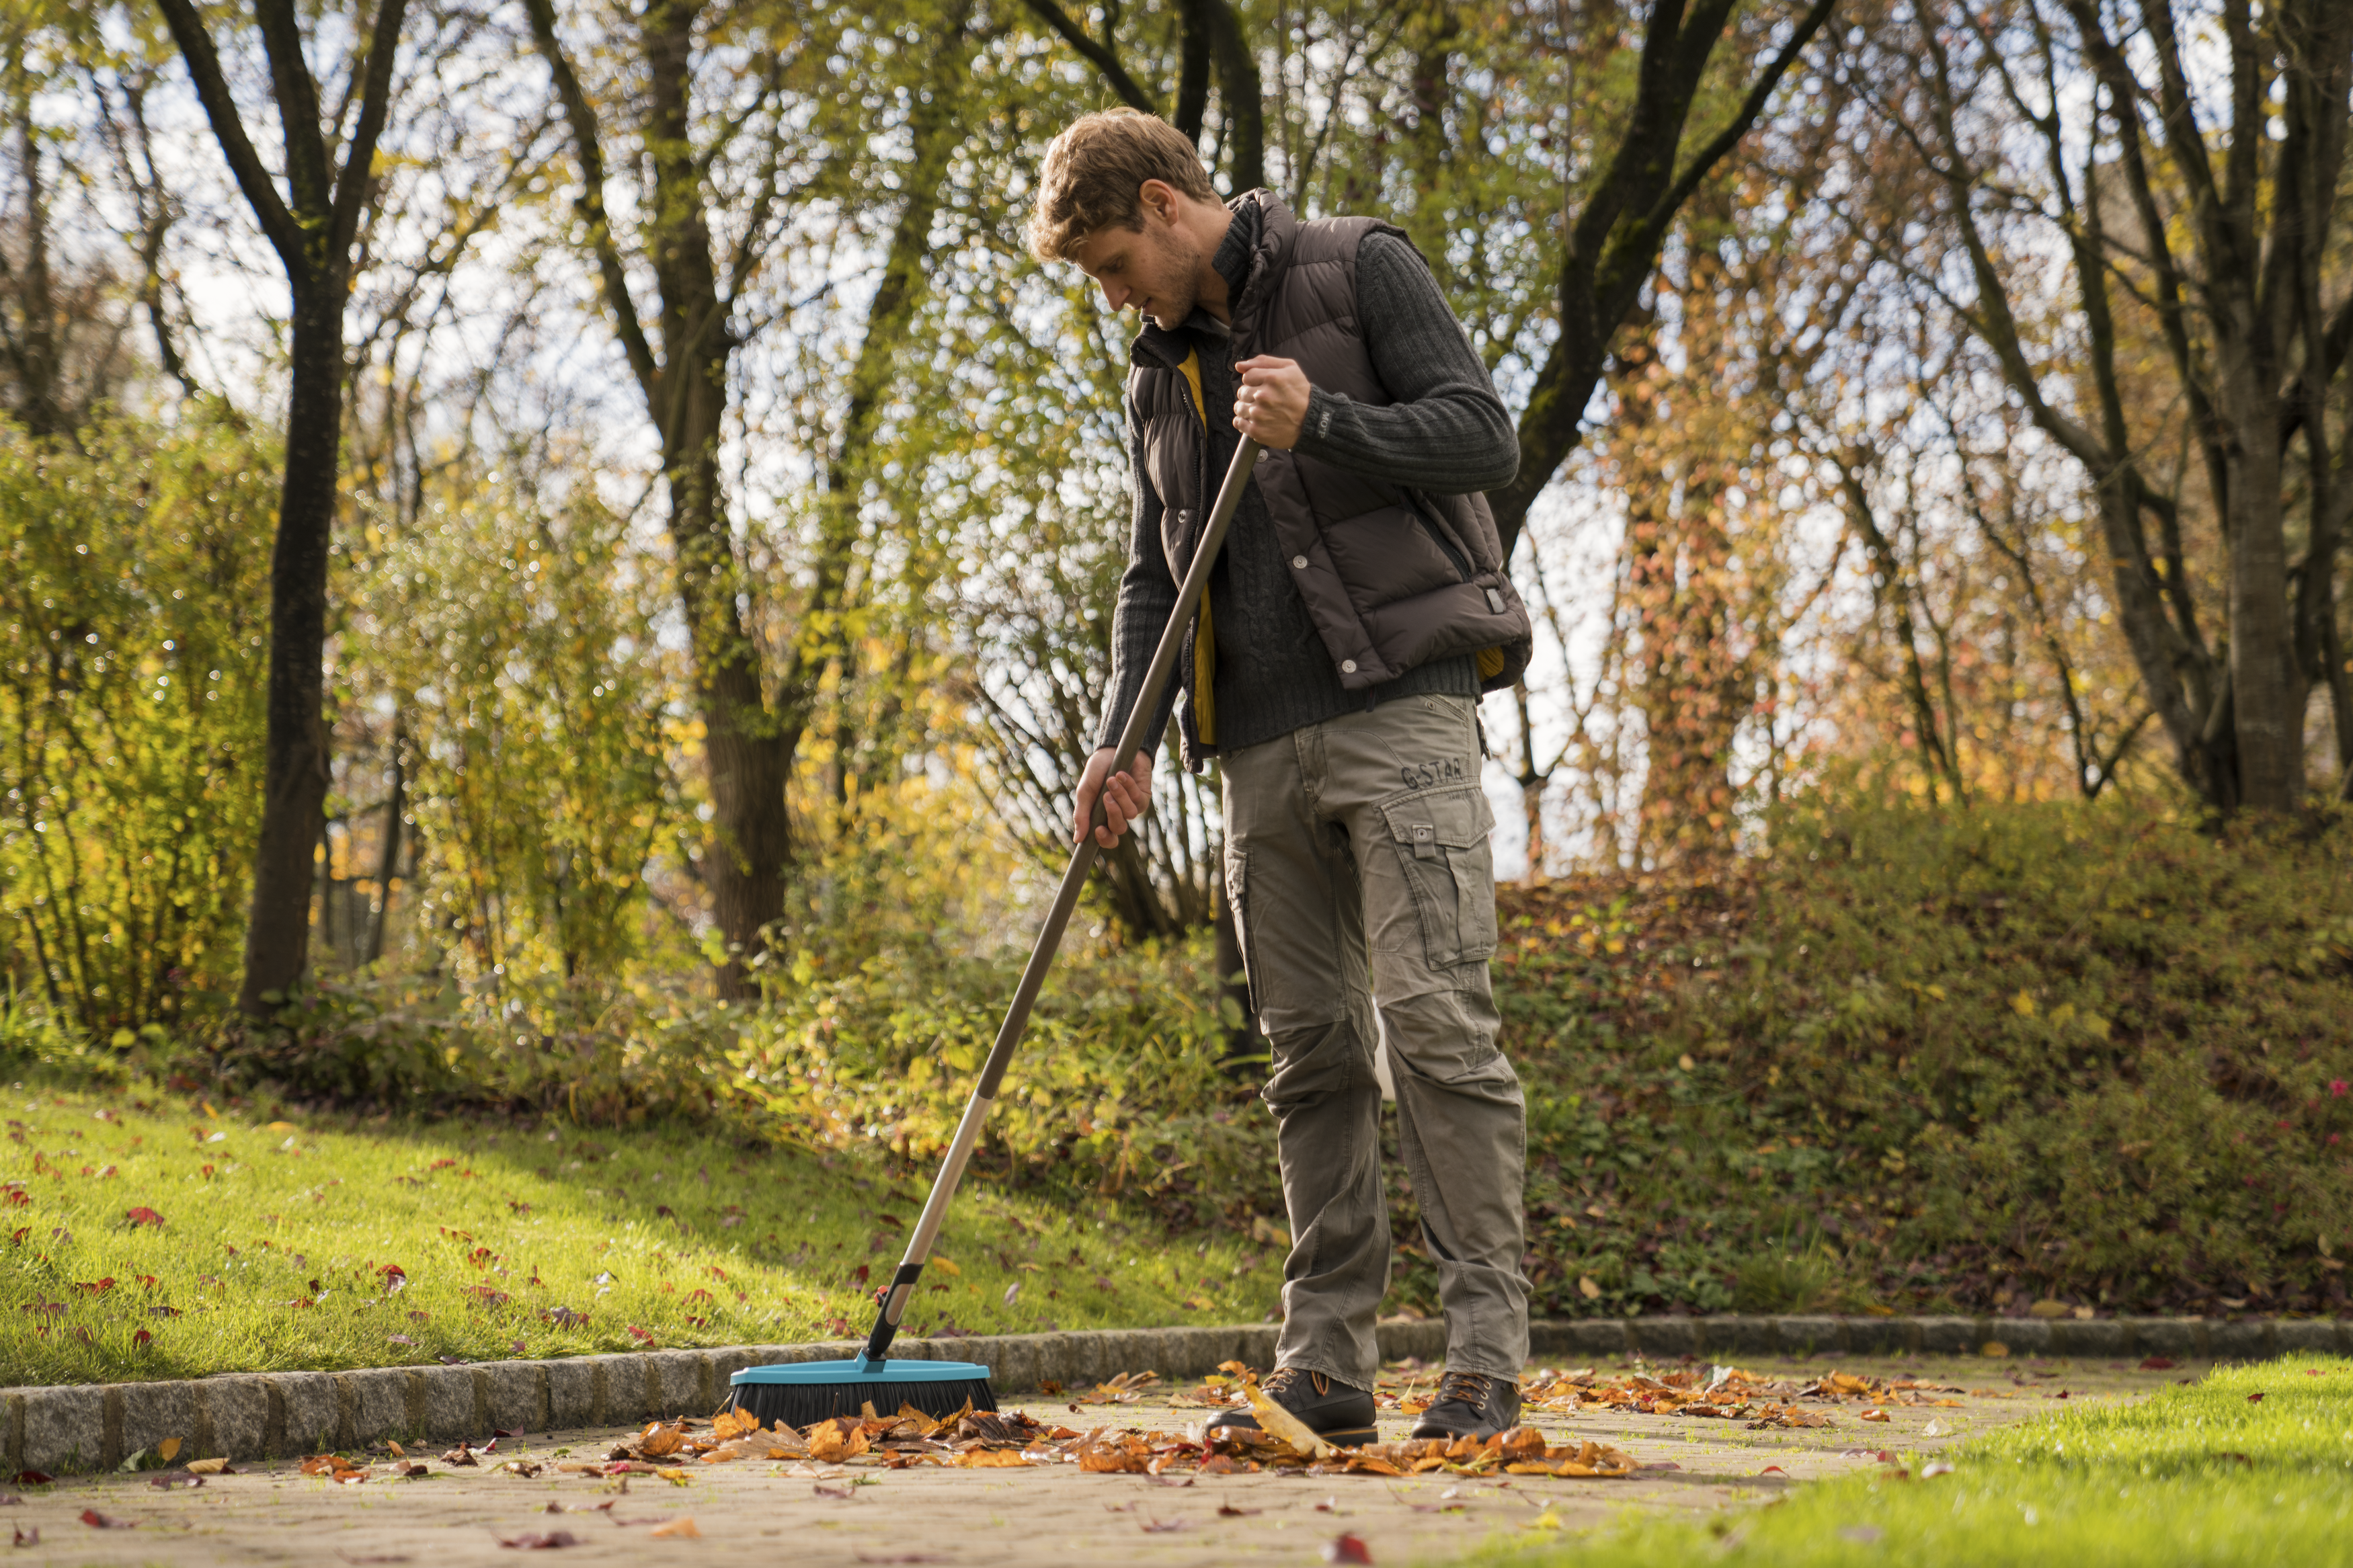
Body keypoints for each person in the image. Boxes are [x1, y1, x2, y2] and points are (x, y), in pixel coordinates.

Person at [1027, 110, 1536, 1444]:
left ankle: (1482, 1356)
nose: (1112, 295)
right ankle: (1326, 1364)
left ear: (1161, 201)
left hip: (1401, 713)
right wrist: (1119, 735)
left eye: (1109, 265)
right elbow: (1155, 571)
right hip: (1253, 743)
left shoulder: (1356, 265)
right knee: (1309, 1053)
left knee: (1434, 1027)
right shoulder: (1156, 378)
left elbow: (1483, 437)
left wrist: (1327, 422)